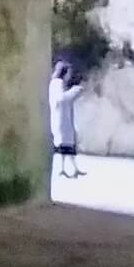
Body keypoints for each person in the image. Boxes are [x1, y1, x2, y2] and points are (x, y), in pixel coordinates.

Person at [48, 57, 86, 185]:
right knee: (66, 144)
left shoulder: (56, 83)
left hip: (62, 118)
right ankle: (67, 169)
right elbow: (61, 100)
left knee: (67, 145)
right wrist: (74, 92)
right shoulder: (57, 84)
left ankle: (69, 169)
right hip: (61, 119)